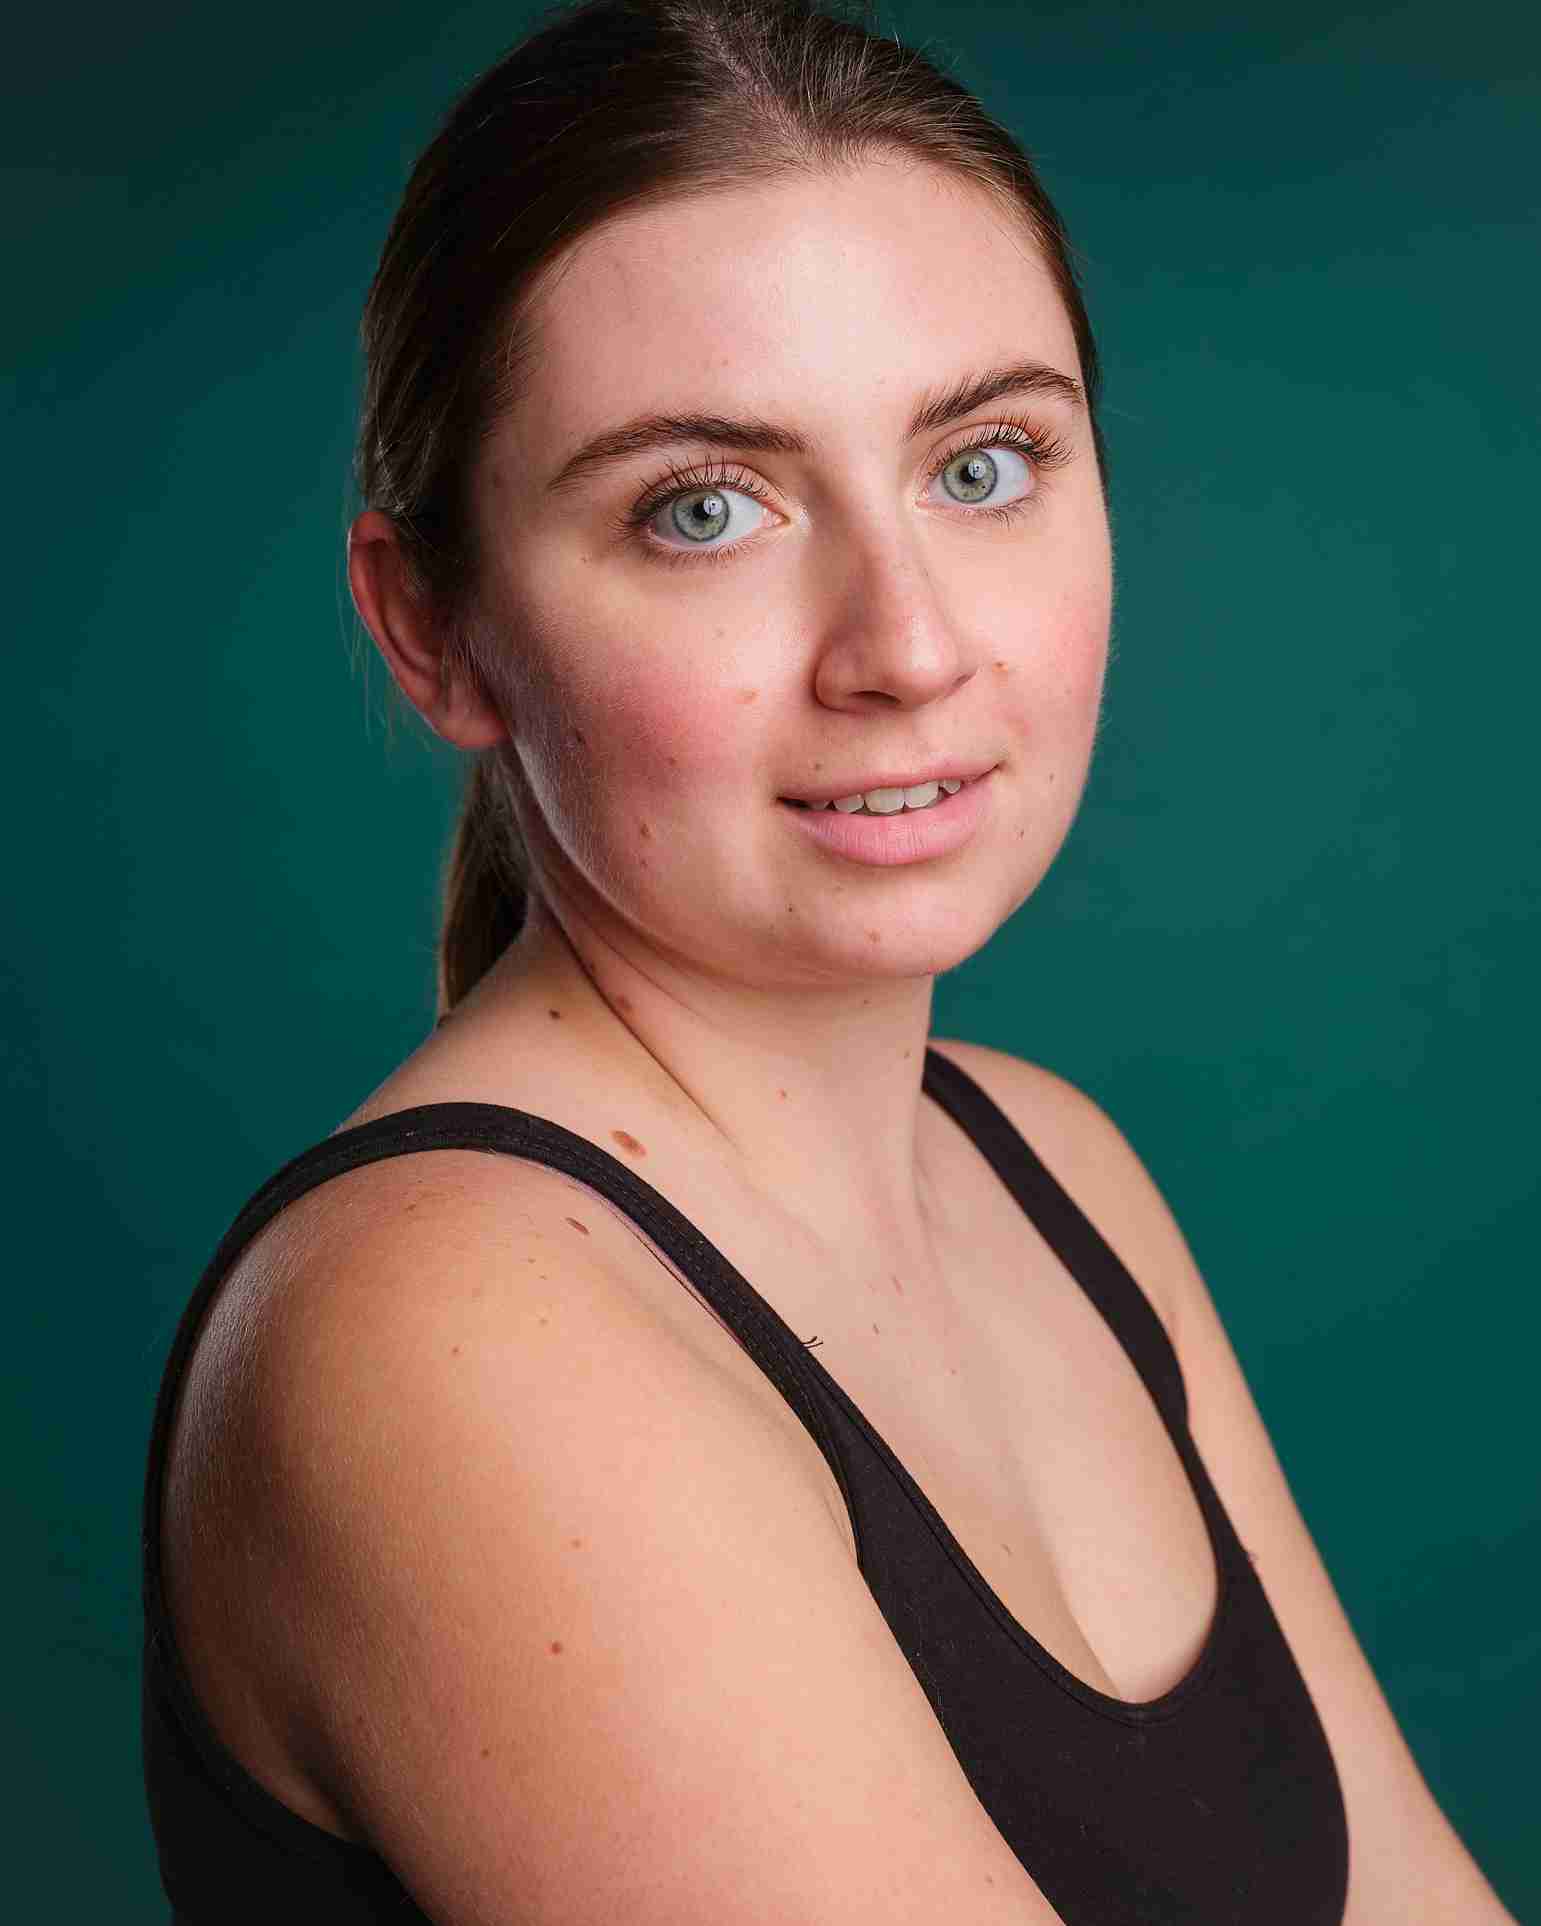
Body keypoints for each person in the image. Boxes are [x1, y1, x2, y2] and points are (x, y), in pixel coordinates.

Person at [139, 2, 1518, 1921]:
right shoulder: (447, 1331)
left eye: (983, 463)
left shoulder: (1050, 1167)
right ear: (433, 628)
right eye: (703, 509)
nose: (907, 646)